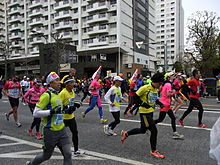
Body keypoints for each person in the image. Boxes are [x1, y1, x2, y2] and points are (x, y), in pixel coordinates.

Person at [26, 72, 72, 165]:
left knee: (68, 154)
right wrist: (51, 112)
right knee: (46, 155)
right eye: (56, 80)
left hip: (61, 130)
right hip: (50, 131)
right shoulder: (46, 95)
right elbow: (36, 113)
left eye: (59, 80)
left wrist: (70, 108)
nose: (59, 82)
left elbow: (60, 111)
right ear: (50, 83)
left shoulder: (57, 94)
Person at [121, 73, 165, 159]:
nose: (160, 85)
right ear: (154, 81)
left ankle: (126, 133)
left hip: (150, 111)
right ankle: (153, 151)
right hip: (144, 113)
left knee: (142, 130)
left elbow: (154, 98)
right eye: (159, 83)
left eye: (161, 84)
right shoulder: (145, 88)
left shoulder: (155, 89)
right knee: (154, 131)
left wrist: (160, 103)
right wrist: (143, 104)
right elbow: (135, 98)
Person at [59, 76, 85, 156]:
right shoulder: (62, 93)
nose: (72, 84)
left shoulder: (72, 92)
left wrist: (75, 105)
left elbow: (70, 103)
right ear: (66, 84)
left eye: (73, 82)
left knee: (75, 132)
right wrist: (66, 108)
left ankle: (76, 150)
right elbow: (57, 106)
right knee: (58, 135)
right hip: (62, 118)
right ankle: (49, 147)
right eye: (70, 83)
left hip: (71, 117)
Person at [154, 72, 184, 139]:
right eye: (172, 76)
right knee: (160, 120)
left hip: (166, 104)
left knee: (173, 118)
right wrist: (173, 92)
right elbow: (168, 94)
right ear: (169, 77)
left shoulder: (165, 84)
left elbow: (160, 90)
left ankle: (175, 133)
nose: (173, 77)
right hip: (164, 104)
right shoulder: (168, 84)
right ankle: (148, 126)